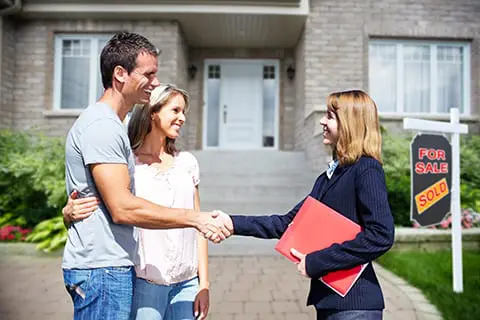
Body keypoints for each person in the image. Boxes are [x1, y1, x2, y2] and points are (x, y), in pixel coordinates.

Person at [62, 32, 228, 320]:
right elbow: (123, 207)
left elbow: (97, 196)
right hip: (104, 270)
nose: (154, 82)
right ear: (120, 74)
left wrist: (67, 213)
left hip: (115, 267)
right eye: (149, 74)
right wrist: (193, 217)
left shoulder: (113, 127)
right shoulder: (102, 127)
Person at [219, 90, 395, 319]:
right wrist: (232, 223)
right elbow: (287, 223)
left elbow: (381, 236)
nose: (322, 121)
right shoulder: (328, 177)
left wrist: (317, 261)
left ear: (350, 124)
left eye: (330, 116)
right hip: (332, 303)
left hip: (355, 306)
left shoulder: (366, 169)